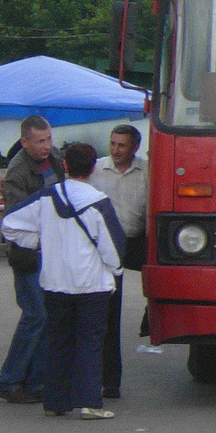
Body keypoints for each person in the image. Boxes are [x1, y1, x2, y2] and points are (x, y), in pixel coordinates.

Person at [2, 142, 125, 420]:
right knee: (90, 342)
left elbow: (10, 223)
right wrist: (112, 269)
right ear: (93, 168)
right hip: (91, 285)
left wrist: (36, 242)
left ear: (65, 165)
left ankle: (54, 401)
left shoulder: (47, 197)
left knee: (58, 341)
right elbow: (113, 250)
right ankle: (90, 403)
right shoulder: (99, 202)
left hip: (55, 283)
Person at [0, 115, 66, 404]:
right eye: (40, 141)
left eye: (49, 138)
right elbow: (15, 219)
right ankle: (8, 380)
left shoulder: (55, 158)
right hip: (27, 254)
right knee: (36, 316)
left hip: (52, 251)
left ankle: (36, 382)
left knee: (46, 317)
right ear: (25, 142)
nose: (47, 145)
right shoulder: (18, 171)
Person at [87, 125, 148, 400]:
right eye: (112, 144)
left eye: (122, 145)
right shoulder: (96, 170)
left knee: (167, 280)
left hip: (136, 242)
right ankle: (109, 382)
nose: (116, 150)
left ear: (135, 147)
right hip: (107, 245)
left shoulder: (147, 171)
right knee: (109, 315)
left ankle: (153, 318)